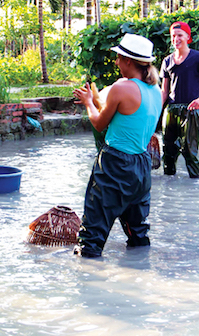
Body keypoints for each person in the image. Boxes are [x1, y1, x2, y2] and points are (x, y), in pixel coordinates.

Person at [72, 34, 163, 258]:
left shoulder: (121, 88)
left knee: (91, 236)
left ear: (128, 61)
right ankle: (141, 271)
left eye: (118, 58)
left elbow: (99, 123)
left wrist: (88, 103)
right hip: (142, 166)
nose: (116, 62)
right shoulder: (157, 92)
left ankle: (87, 284)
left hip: (114, 166)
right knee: (138, 233)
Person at [160, 21, 199, 178]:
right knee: (168, 150)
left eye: (180, 35)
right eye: (173, 36)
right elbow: (164, 91)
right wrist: (156, 110)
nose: (176, 39)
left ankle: (195, 185)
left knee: (189, 151)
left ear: (187, 37)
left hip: (191, 110)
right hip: (171, 110)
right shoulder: (167, 61)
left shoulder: (197, 57)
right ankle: (169, 184)